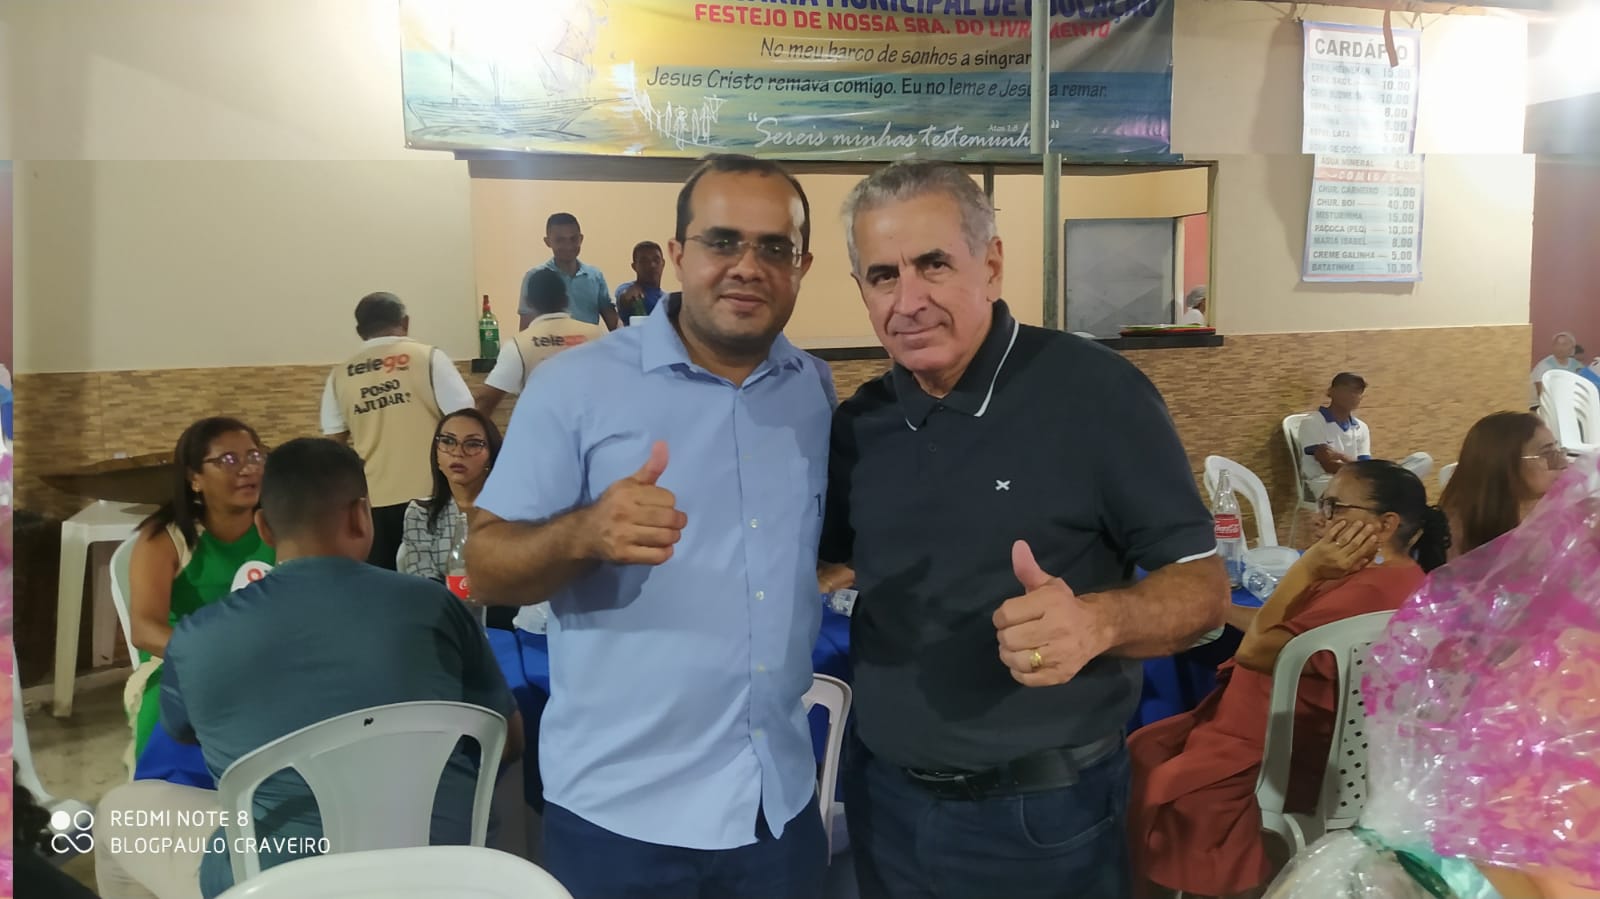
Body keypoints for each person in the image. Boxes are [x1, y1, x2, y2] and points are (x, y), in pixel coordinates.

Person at [820, 160, 1227, 899]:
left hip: (1042, 818)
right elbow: (831, 562)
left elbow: (1203, 590)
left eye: (933, 264)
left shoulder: (1095, 393)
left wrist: (1099, 622)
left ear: (992, 264)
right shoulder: (862, 423)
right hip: (884, 804)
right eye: (883, 276)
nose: (908, 300)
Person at [466, 154, 834, 899]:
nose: (748, 266)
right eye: (722, 241)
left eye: (775, 247)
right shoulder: (577, 384)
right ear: (677, 255)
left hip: (778, 807)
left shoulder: (812, 388)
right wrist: (584, 532)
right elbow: (486, 565)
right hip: (622, 819)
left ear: (802, 265)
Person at [93, 438, 522, 899]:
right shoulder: (437, 605)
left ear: (264, 527)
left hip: (275, 884)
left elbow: (184, 734)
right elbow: (508, 741)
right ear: (361, 515)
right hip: (442, 875)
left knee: (120, 811)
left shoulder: (197, 637)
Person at [1129, 460, 1449, 898]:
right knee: (1145, 746)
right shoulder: (1400, 577)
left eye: (1335, 507)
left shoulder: (1367, 589)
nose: (1321, 516)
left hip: (1280, 747)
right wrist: (1219, 610)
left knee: (1154, 772)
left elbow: (1256, 650)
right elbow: (1285, 630)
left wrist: (1307, 567)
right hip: (1314, 736)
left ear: (1385, 523)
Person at [126, 417, 274, 758]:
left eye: (254, 456)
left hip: (267, 659)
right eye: (229, 460)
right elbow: (144, 628)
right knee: (167, 736)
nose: (248, 469)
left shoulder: (280, 526)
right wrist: (214, 658)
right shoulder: (165, 539)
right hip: (182, 664)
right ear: (195, 478)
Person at [320, 292, 474, 570]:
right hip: (433, 496)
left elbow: (333, 447)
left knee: (385, 585)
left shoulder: (339, 375)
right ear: (405, 322)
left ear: (360, 331)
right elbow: (466, 421)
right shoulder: (429, 358)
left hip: (373, 505)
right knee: (440, 580)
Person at [476, 268, 609, 417]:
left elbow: (485, 400)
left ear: (528, 302)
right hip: (597, 428)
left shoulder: (519, 346)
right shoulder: (599, 335)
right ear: (566, 300)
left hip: (544, 429)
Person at [1438, 411, 1566, 560]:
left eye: (1558, 452)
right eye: (1548, 454)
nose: (1563, 463)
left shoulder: (1558, 514)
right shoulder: (1451, 534)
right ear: (1506, 464)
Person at [520, 212, 618, 331]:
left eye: (573, 239)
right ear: (547, 242)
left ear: (581, 239)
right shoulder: (535, 278)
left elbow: (614, 324)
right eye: (560, 240)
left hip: (590, 342)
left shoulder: (595, 276)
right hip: (551, 343)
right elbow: (526, 330)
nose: (568, 245)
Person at [1297, 372, 1373, 497]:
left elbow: (1366, 466)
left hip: (1355, 479)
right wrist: (1360, 471)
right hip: (1323, 480)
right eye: (1348, 390)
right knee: (1367, 494)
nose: (1353, 396)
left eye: (1358, 392)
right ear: (1331, 392)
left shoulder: (1361, 427)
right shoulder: (1313, 422)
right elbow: (1328, 466)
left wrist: (1341, 456)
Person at [614, 240, 668, 325]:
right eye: (644, 261)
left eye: (656, 260)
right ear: (634, 266)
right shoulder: (628, 289)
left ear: (663, 263)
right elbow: (624, 299)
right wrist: (628, 297)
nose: (652, 265)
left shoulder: (667, 299)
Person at [1528, 330, 1585, 408]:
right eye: (1557, 344)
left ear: (1572, 348)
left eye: (1564, 344)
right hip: (1540, 405)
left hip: (1566, 403)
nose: (1560, 348)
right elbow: (1542, 394)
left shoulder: (1576, 364)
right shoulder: (1544, 366)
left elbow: (1585, 385)